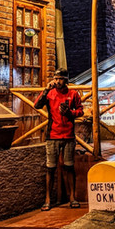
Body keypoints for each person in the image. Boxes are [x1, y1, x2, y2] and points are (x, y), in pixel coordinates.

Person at [34, 68, 84, 210]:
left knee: (69, 167)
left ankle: (72, 197)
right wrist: (45, 90)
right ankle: (48, 199)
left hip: (68, 135)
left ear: (66, 80)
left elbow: (81, 111)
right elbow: (36, 105)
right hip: (52, 135)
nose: (57, 81)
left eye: (60, 79)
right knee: (50, 168)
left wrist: (70, 113)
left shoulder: (73, 94)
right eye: (55, 78)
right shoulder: (49, 93)